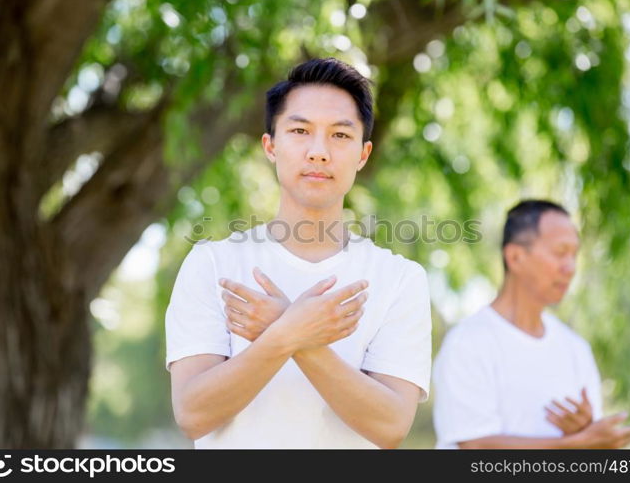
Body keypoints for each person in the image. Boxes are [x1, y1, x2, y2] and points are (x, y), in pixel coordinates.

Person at [165, 58, 431, 448]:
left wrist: (289, 331)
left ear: (363, 154)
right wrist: (288, 334)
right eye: (300, 130)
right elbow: (192, 414)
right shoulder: (213, 265)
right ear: (271, 146)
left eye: (340, 135)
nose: (319, 152)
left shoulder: (400, 279)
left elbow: (390, 426)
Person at [433, 199, 630, 449]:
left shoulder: (575, 349)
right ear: (516, 257)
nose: (570, 267)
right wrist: (577, 443)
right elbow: (475, 447)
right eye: (560, 252)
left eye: (575, 255)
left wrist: (586, 433)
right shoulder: (468, 343)